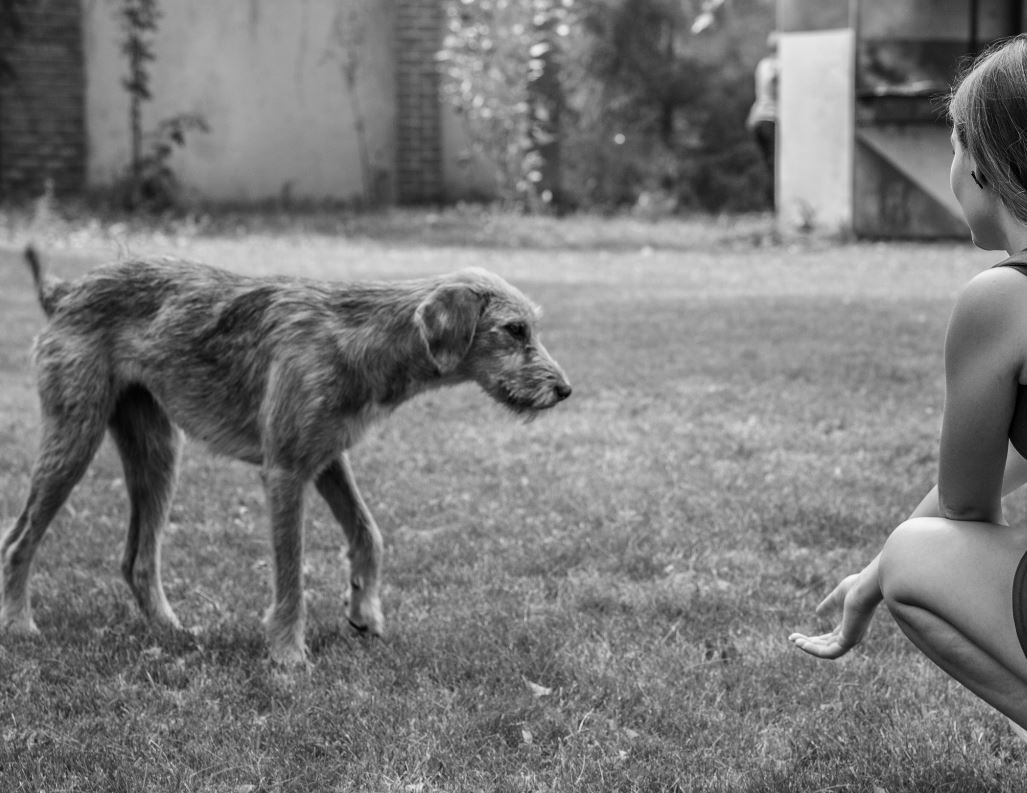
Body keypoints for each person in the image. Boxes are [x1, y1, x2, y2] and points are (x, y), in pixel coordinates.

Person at [789, 34, 1027, 733]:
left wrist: (885, 573)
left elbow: (961, 510)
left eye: (954, 145)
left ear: (984, 163)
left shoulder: (1003, 300)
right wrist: (869, 574)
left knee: (917, 557)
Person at [746, 32, 779, 208]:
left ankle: (771, 206)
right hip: (770, 119)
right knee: (775, 166)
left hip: (757, 119)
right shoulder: (777, 66)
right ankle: (774, 206)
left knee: (769, 165)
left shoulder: (763, 65)